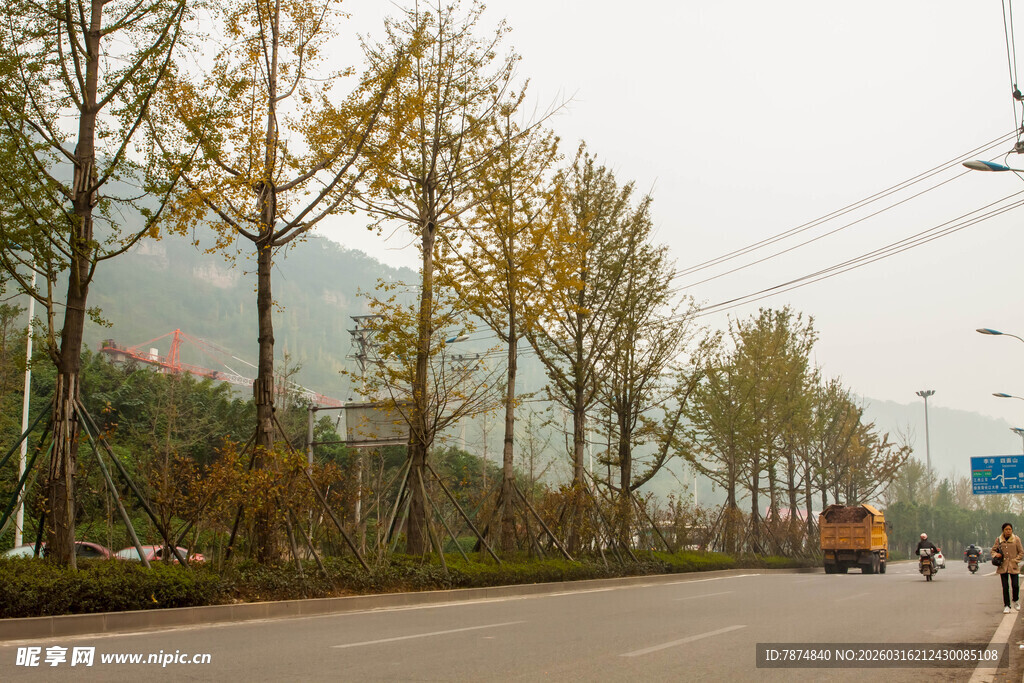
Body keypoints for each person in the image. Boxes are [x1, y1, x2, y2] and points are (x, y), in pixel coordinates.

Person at [992, 523, 1024, 614]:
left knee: (1015, 585)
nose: (1008, 531)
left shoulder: (1016, 539)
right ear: (1003, 530)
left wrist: (1016, 560)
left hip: (1013, 566)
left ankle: (1016, 600)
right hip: (1003, 566)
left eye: (1010, 529)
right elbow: (993, 550)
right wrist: (996, 555)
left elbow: (1021, 552)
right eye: (1006, 529)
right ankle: (1007, 605)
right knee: (1005, 587)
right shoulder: (999, 540)